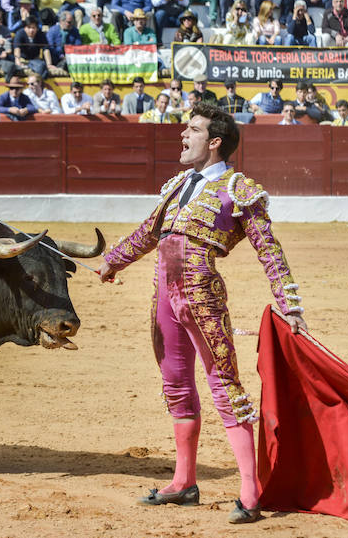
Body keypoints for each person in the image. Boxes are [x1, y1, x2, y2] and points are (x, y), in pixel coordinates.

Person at [99, 102, 306, 525]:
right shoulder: (177, 185)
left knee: (224, 386)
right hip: (164, 298)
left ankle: (250, 492)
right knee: (175, 384)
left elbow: (269, 250)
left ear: (214, 142)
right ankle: (184, 482)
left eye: (191, 129)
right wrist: (114, 260)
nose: (182, 135)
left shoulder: (239, 188)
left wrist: (291, 305)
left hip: (202, 296)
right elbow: (149, 233)